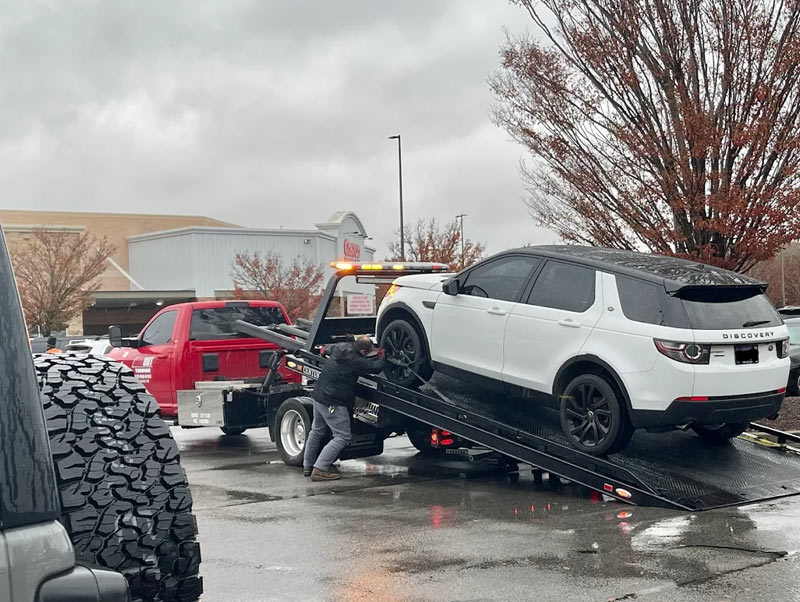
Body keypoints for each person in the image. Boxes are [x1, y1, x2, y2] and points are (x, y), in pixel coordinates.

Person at [303, 336, 385, 481]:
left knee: (316, 431)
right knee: (342, 437)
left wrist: (323, 351)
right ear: (364, 351)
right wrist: (382, 356)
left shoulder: (340, 347)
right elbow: (376, 368)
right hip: (333, 402)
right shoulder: (356, 361)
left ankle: (308, 466)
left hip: (318, 395)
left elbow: (326, 348)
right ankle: (320, 469)